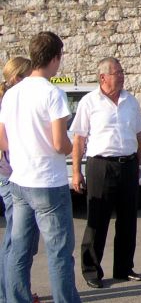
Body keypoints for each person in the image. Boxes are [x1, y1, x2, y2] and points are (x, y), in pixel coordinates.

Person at [0, 31, 81, 303]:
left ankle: (16, 299)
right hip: (47, 181)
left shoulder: (12, 93)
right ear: (55, 58)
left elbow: (2, 139)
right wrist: (72, 146)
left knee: (19, 249)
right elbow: (59, 143)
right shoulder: (53, 93)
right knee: (59, 252)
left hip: (19, 179)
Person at [70, 58, 141, 289]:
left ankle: (124, 268)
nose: (121, 76)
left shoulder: (130, 101)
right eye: (117, 73)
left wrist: (138, 165)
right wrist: (76, 172)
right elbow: (79, 139)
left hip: (128, 164)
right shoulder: (89, 102)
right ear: (103, 77)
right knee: (98, 220)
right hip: (101, 166)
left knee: (128, 220)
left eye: (122, 72)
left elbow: (139, 135)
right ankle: (91, 270)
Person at [0, 57, 33, 303]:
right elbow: (4, 141)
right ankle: (14, 295)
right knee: (17, 241)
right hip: (11, 175)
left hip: (11, 173)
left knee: (16, 240)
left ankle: (11, 292)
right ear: (18, 78)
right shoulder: (9, 102)